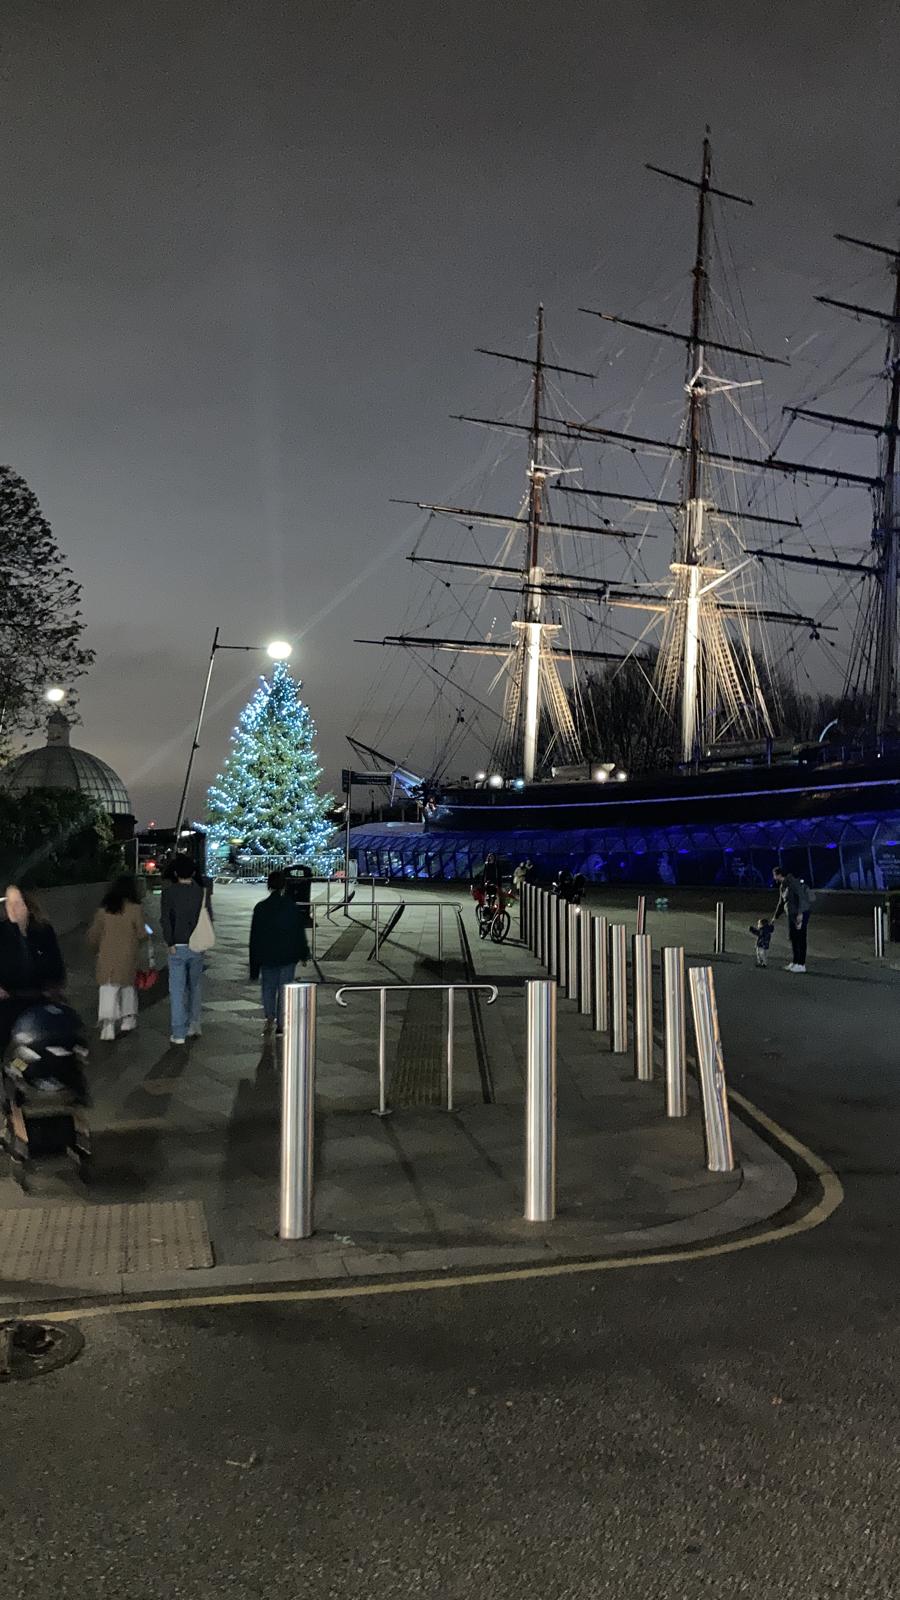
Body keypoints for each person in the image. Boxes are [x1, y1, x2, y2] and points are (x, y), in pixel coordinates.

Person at [0, 885, 66, 1054]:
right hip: (10, 1003)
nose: (13, 909)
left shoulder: (43, 931)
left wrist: (53, 986)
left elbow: (56, 965)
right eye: (9, 904)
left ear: (27, 906)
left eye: (17, 903)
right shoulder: (2, 933)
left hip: (40, 1001)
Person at [249, 870, 311, 1038]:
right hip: (287, 955)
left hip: (267, 955)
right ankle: (281, 1025)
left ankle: (270, 1016)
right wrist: (303, 952)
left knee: (268, 987)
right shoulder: (291, 906)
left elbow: (255, 937)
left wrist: (254, 964)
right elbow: (299, 932)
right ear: (284, 885)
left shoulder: (261, 908)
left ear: (269, 885)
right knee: (284, 988)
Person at [87, 875, 148, 1040]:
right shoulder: (135, 909)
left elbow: (94, 934)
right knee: (127, 987)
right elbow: (142, 933)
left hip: (107, 956)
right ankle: (128, 1019)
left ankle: (107, 1025)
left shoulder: (104, 910)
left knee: (107, 988)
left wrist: (95, 948)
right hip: (127, 956)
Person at [160, 853, 213, 1044]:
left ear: (175, 872)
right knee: (195, 985)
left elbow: (165, 919)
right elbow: (208, 917)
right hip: (197, 945)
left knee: (176, 989)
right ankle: (194, 1023)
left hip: (178, 945)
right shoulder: (202, 891)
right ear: (193, 872)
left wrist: (170, 942)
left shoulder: (169, 892)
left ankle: (178, 1032)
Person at [772, 865, 814, 973]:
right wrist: (775, 916)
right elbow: (782, 902)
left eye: (774, 875)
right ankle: (795, 962)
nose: (774, 878)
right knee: (793, 937)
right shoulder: (783, 886)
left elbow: (801, 898)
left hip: (799, 913)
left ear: (779, 875)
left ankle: (801, 964)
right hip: (791, 914)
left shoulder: (793, 883)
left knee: (800, 937)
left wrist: (800, 913)